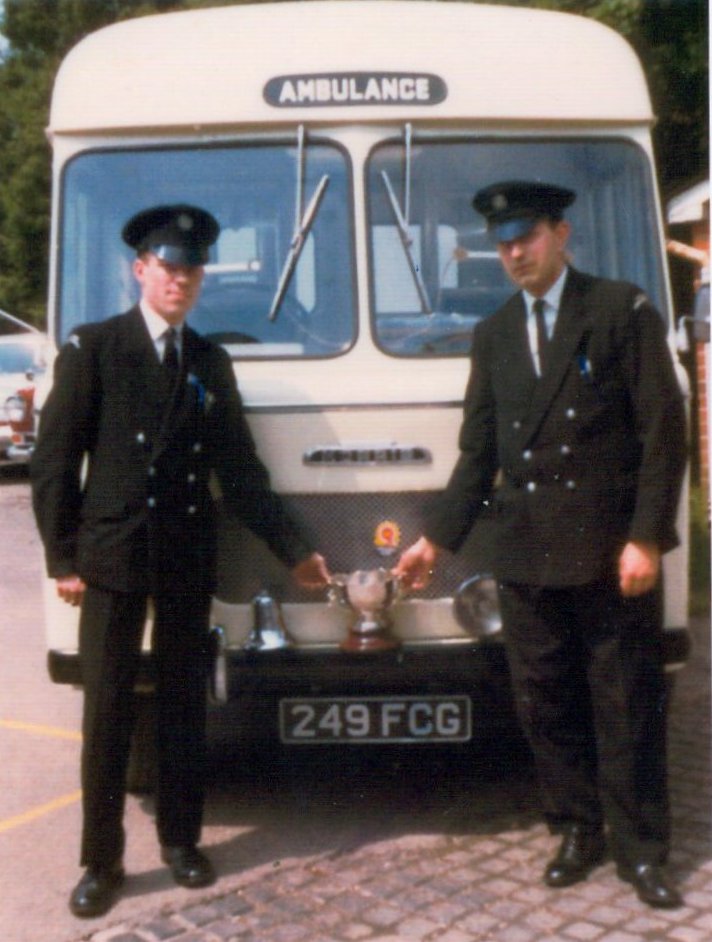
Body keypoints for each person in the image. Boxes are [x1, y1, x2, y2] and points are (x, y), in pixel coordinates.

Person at [31, 204, 330, 918]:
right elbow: (53, 465)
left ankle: (181, 840)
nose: (181, 279)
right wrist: (63, 557)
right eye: (168, 266)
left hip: (188, 554)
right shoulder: (94, 349)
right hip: (110, 557)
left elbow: (242, 472)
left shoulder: (208, 361)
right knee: (107, 713)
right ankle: (100, 861)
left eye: (192, 268)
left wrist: (296, 552)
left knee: (181, 706)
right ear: (141, 270)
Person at [394, 181, 687, 908]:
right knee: (545, 701)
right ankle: (576, 827)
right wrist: (436, 539)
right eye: (501, 242)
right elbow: (477, 455)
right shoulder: (493, 335)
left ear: (561, 233)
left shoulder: (620, 311)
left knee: (625, 701)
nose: (513, 252)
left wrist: (645, 538)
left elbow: (664, 435)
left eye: (525, 236)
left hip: (607, 551)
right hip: (525, 554)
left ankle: (642, 848)